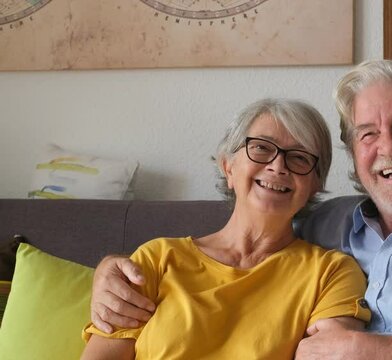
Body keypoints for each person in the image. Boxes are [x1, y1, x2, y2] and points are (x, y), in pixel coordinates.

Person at [90, 60, 392, 359]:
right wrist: (108, 269)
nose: (389, 147)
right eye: (368, 134)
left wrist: (364, 350)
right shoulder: (327, 222)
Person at [80, 98, 371, 359]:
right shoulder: (156, 259)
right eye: (261, 148)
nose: (278, 166)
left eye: (299, 157)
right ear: (228, 166)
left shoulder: (332, 273)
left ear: (315, 185)